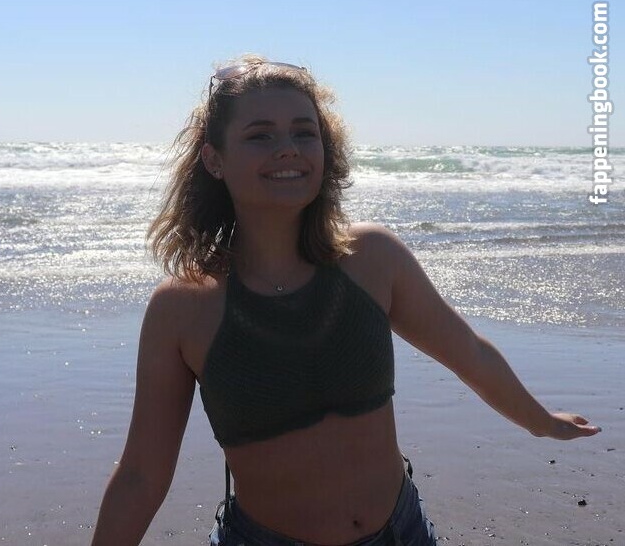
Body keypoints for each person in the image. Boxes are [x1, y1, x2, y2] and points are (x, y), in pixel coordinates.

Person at [89, 54, 601, 546]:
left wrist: (541, 421)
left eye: (304, 132)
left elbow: (469, 352)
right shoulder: (183, 308)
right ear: (214, 159)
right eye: (260, 135)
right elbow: (141, 474)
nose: (288, 149)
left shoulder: (372, 258)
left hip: (402, 533)